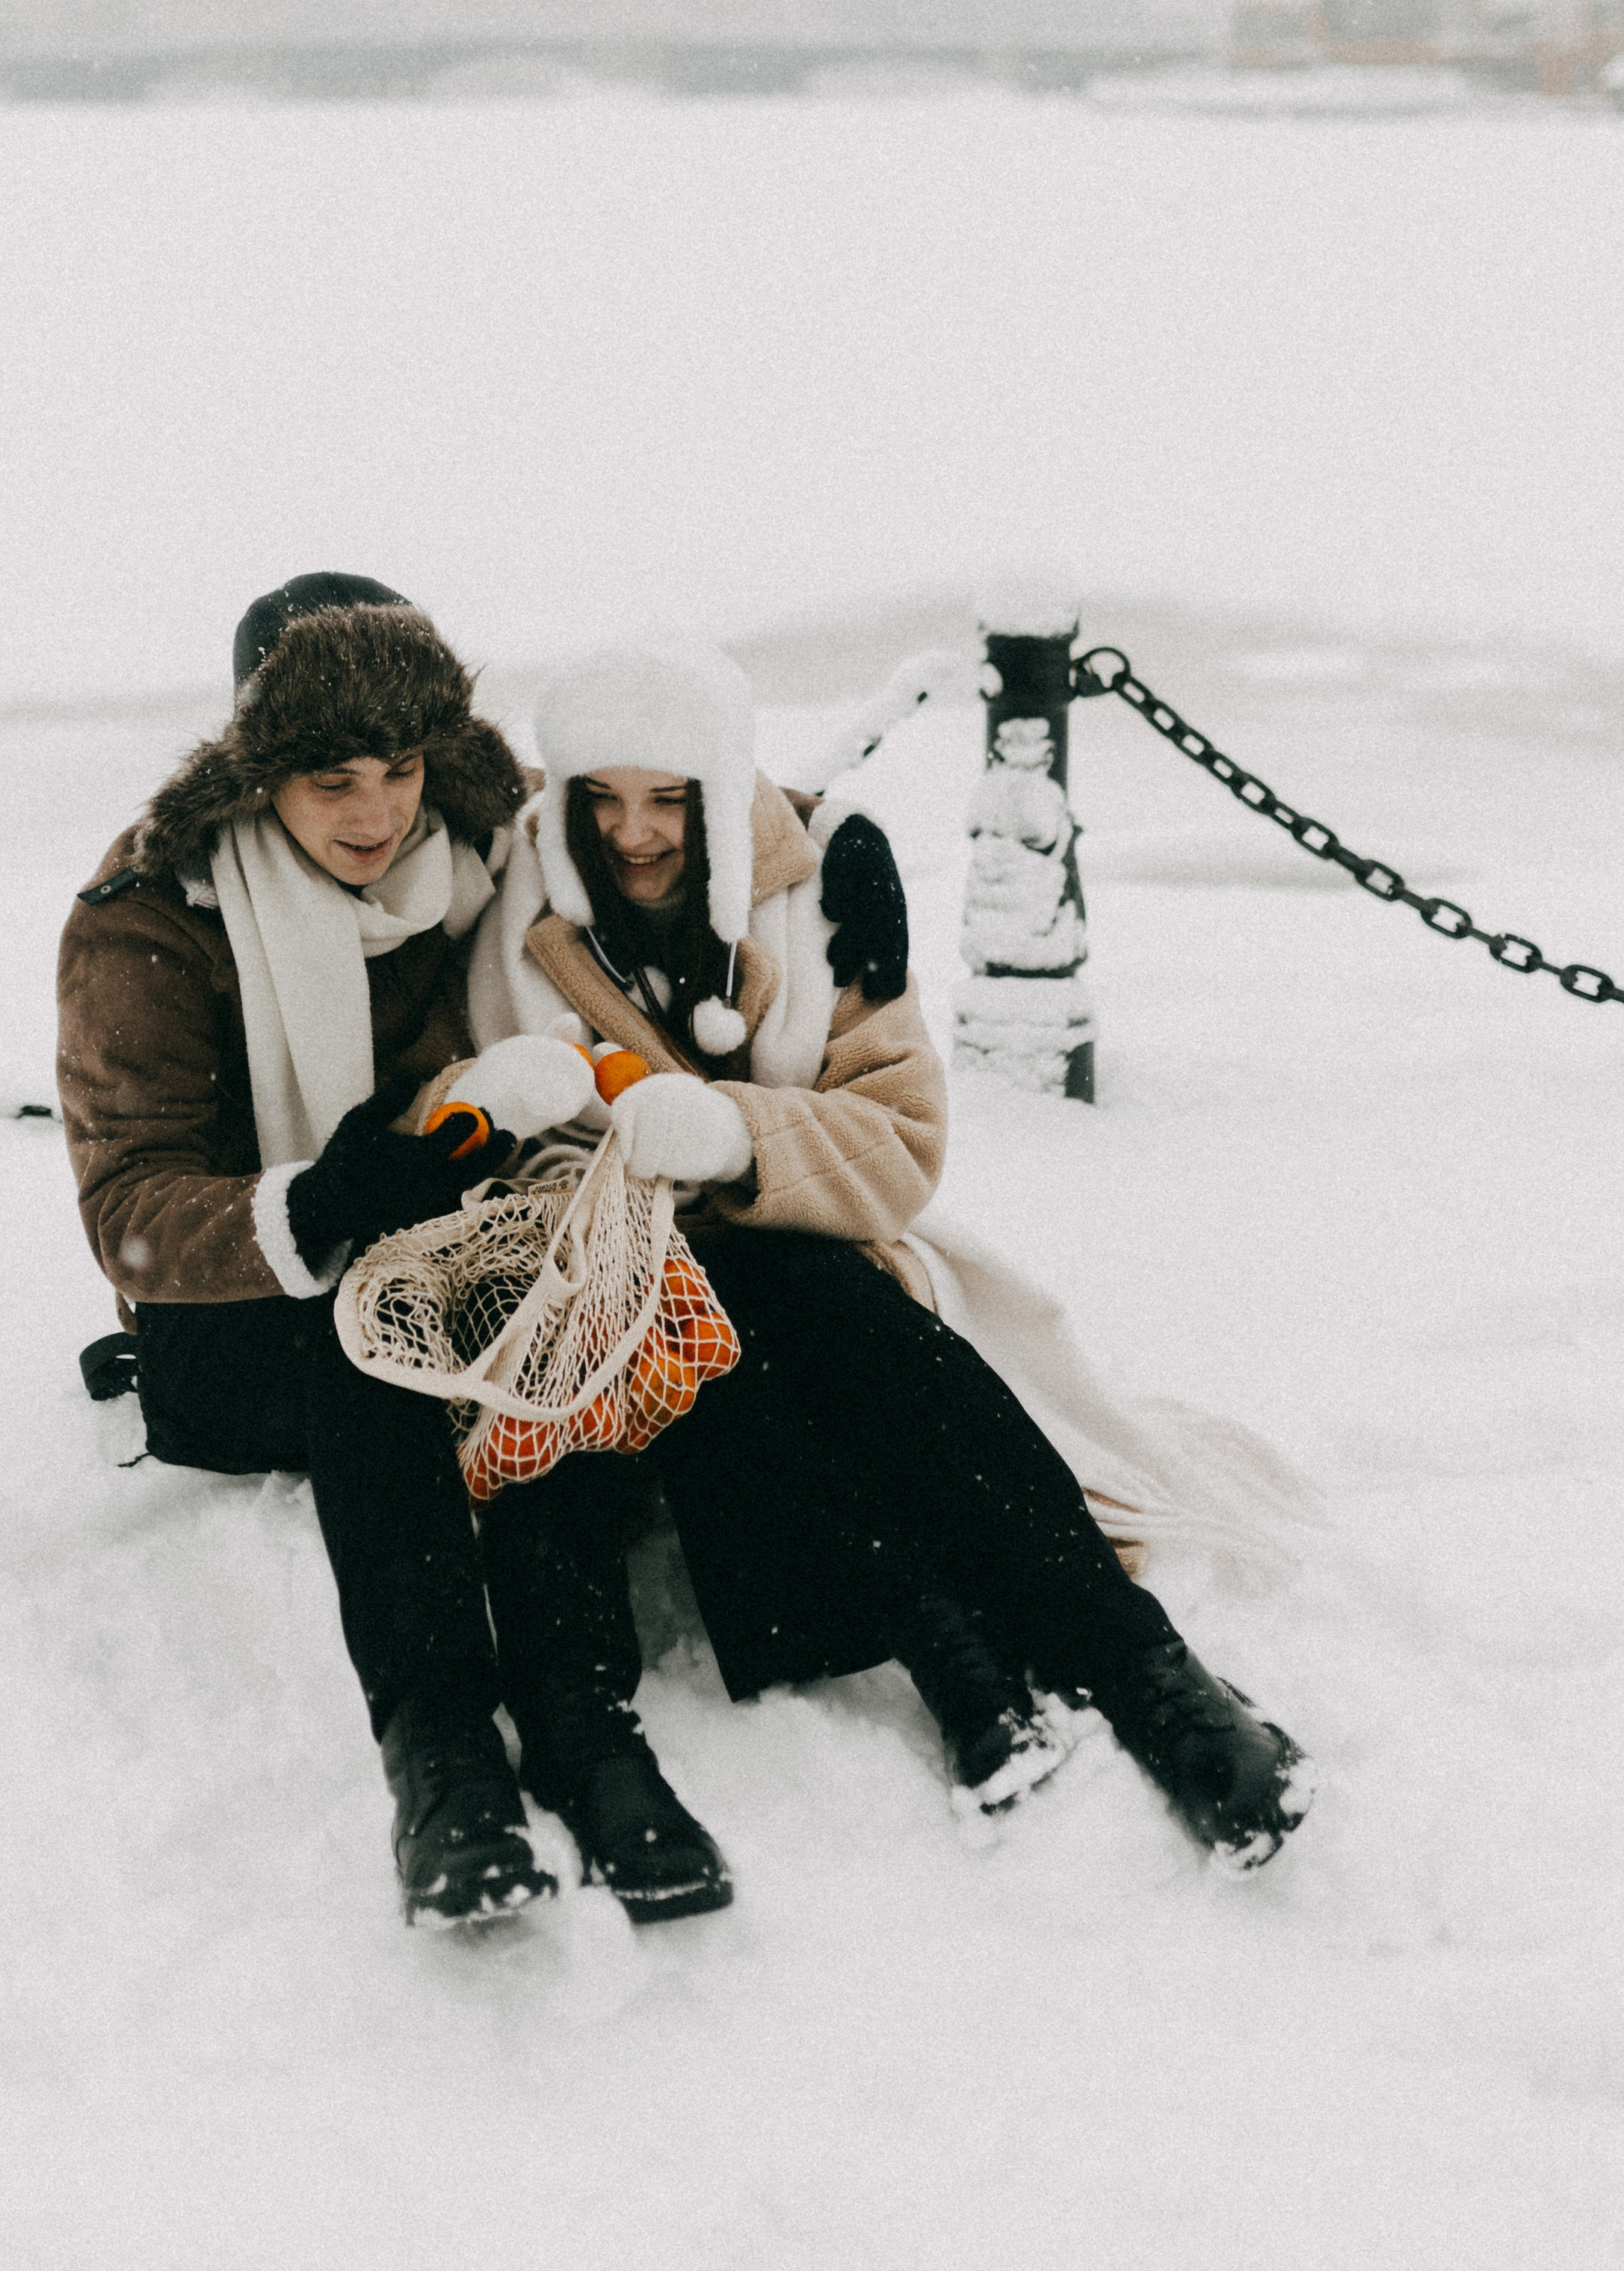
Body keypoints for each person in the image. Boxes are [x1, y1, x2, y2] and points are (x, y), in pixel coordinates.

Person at [449, 640, 1315, 1873]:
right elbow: (442, 1082)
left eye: (668, 798)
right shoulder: (509, 900)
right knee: (704, 1332)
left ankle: (1147, 1672)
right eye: (601, 797)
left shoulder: (823, 886)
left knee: (796, 1301)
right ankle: (961, 1660)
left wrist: (739, 1132)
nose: (632, 832)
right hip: (619, 1287)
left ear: (720, 788)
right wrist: (505, 1101)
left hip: (822, 1263)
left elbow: (902, 1140)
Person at [56, 576, 732, 1928]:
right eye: (328, 780)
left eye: (399, 768)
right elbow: (129, 1202)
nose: (375, 815)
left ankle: (589, 1729)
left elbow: (662, 801)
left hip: (461, 1247)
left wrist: (823, 845)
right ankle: (444, 1760)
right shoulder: (154, 913)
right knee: (369, 1326)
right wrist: (315, 1205)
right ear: (257, 771)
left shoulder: (490, 831)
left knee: (556, 1308)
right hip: (248, 1317)